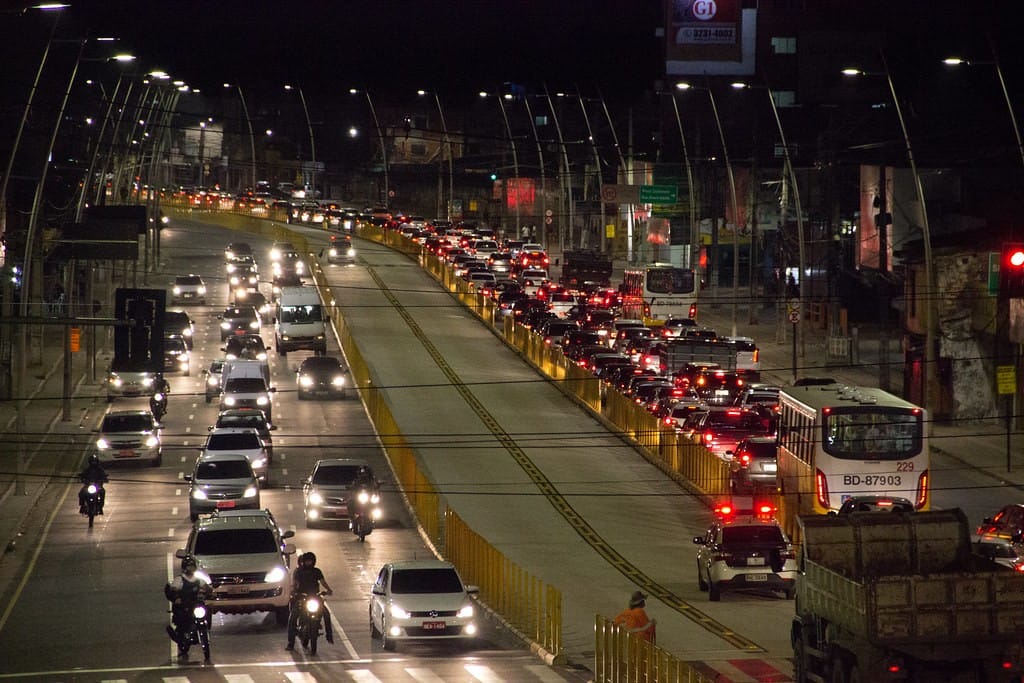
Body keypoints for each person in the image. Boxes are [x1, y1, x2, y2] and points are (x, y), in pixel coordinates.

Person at [164, 555, 213, 656]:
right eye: (189, 566)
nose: (191, 569)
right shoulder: (179, 580)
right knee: (183, 619)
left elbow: (206, 588)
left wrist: (210, 592)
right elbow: (173, 590)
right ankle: (181, 636)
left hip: (196, 604)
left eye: (192, 566)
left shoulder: (198, 579)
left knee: (207, 610)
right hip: (184, 606)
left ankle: (203, 632)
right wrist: (177, 598)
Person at [286, 551, 334, 650]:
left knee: (326, 614)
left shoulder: (317, 571)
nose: (309, 563)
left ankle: (329, 636)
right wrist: (293, 592)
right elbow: (294, 584)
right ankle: (291, 643)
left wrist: (328, 590)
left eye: (310, 561)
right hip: (302, 597)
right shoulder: (298, 572)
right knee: (292, 618)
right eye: (307, 561)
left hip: (315, 596)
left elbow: (323, 582)